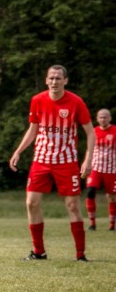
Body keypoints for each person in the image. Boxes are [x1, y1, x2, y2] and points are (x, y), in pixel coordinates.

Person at [9, 65, 95, 261]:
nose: (54, 82)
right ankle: (39, 252)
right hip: (41, 160)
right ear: (47, 80)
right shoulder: (37, 100)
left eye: (58, 78)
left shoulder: (76, 102)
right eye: (51, 78)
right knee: (31, 203)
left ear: (65, 81)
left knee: (72, 205)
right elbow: (33, 130)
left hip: (67, 161)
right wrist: (18, 151)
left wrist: (88, 160)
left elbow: (90, 132)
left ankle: (80, 255)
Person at [85, 108, 115, 231]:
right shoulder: (93, 132)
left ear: (110, 118)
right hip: (96, 168)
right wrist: (86, 163)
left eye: (105, 117)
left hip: (112, 169)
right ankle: (92, 224)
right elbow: (89, 150)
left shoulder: (115, 131)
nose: (103, 119)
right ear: (97, 119)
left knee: (112, 196)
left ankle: (112, 224)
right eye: (101, 117)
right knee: (90, 192)